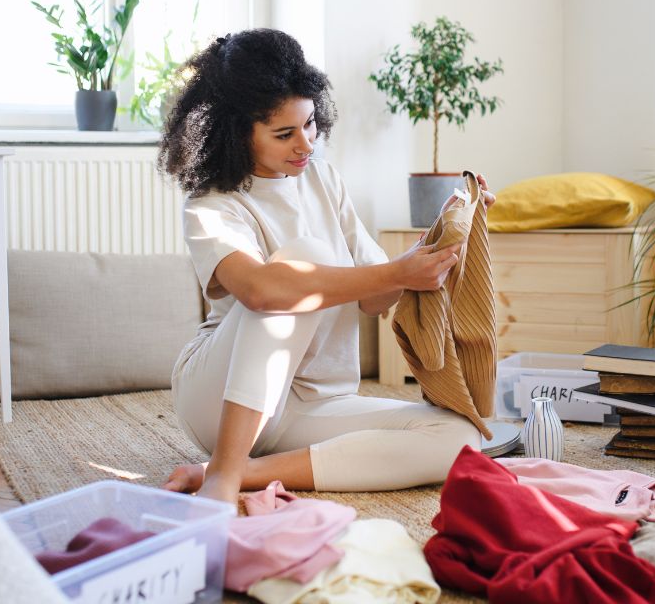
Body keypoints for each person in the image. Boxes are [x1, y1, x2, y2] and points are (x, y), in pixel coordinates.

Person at [156, 28, 494, 504]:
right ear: (237, 132)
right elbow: (260, 291)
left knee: (460, 438)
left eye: (311, 123)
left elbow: (377, 296)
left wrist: (441, 239)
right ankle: (224, 472)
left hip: (317, 403)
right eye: (284, 133)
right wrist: (396, 272)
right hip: (220, 401)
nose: (306, 144)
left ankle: (246, 472)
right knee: (302, 262)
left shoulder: (324, 180)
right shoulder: (211, 204)